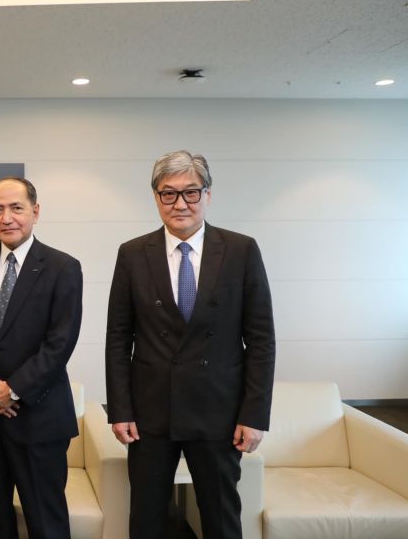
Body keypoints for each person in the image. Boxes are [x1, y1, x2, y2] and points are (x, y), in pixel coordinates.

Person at [106, 150, 276, 538]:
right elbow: (118, 338)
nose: (180, 203)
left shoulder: (241, 250)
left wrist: (254, 415)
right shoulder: (132, 253)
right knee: (146, 518)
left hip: (219, 412)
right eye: (168, 193)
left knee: (221, 518)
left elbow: (261, 340)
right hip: (150, 413)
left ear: (208, 195)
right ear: (156, 198)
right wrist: (120, 409)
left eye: (191, 192)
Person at [0, 177, 83, 539]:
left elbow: (60, 342)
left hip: (40, 417)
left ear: (35, 212)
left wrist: (13, 389)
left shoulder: (63, 267)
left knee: (46, 520)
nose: (6, 218)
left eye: (16, 208)